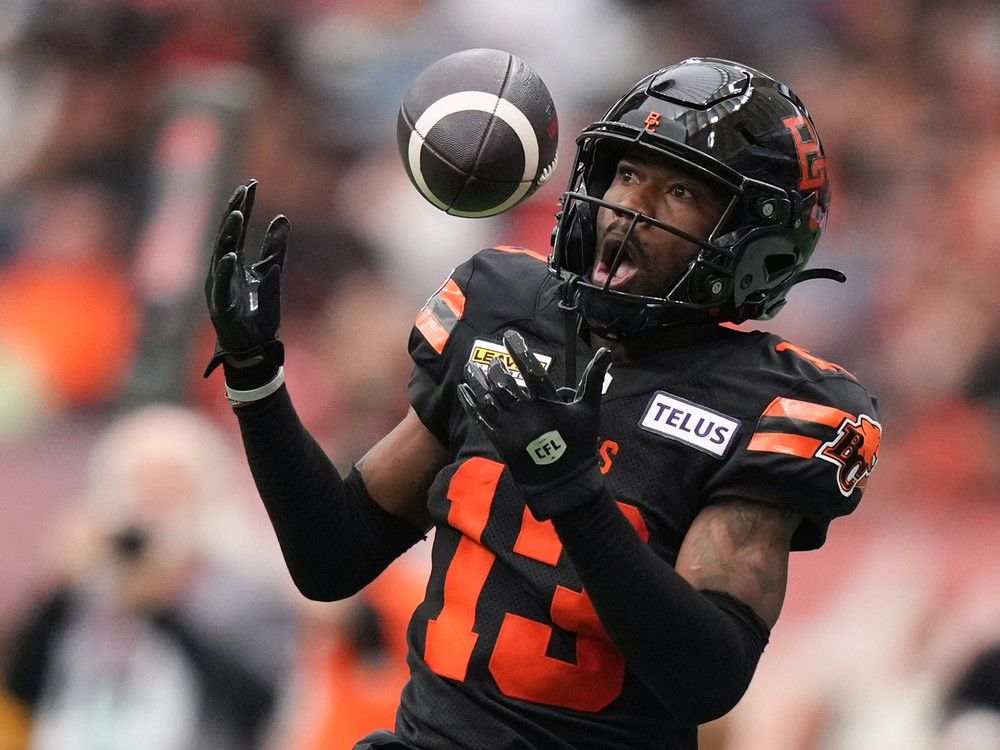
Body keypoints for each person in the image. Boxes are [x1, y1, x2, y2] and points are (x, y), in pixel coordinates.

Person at [203, 57, 882, 749]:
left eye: (678, 190)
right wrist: (257, 381)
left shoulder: (774, 404)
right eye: (625, 174)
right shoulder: (505, 306)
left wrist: (570, 489)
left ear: (754, 242)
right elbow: (333, 559)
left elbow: (706, 680)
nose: (627, 212)